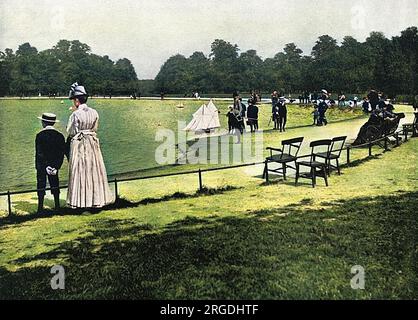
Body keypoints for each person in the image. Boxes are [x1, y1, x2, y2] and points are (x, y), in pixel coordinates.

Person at [66, 82, 114, 208]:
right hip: (92, 143)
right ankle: (95, 200)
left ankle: (80, 201)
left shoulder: (75, 114)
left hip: (80, 143)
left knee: (80, 169)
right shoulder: (94, 112)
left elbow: (71, 131)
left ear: (77, 100)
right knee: (93, 169)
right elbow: (95, 128)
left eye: (73, 100)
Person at [35, 113, 66, 213]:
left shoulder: (40, 136)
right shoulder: (60, 136)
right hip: (54, 165)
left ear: (43, 122)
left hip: (42, 166)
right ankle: (57, 206)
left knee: (41, 184)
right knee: (55, 184)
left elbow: (39, 153)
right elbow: (61, 154)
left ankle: (40, 207)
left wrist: (45, 166)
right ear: (53, 123)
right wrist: (56, 166)